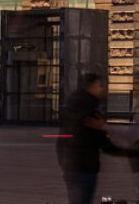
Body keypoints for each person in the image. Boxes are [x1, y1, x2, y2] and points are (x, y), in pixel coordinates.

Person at [57, 72, 121, 204]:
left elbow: (61, 140)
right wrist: (132, 153)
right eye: (99, 86)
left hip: (71, 167)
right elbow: (104, 144)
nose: (101, 89)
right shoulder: (92, 111)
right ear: (91, 87)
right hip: (86, 168)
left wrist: (64, 165)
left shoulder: (70, 107)